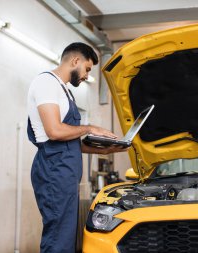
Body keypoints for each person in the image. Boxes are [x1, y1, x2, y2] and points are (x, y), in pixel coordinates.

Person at [27, 42, 126, 253]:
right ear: (75, 61)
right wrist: (90, 128)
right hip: (54, 170)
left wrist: (104, 150)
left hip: (64, 172)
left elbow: (69, 140)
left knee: (66, 236)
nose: (86, 75)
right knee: (58, 238)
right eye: (87, 69)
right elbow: (54, 131)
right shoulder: (46, 82)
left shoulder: (64, 91)